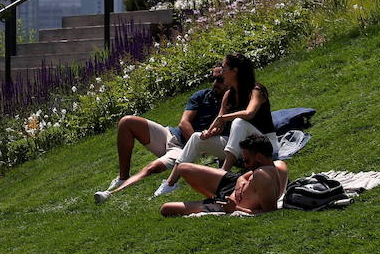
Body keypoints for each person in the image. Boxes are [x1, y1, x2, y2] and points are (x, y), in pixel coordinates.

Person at [154, 54, 280, 197]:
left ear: (235, 71)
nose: (221, 71)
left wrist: (224, 117)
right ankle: (170, 183)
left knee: (239, 122)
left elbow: (249, 113)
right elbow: (218, 125)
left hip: (266, 146)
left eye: (224, 68)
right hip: (242, 149)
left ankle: (222, 173)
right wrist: (209, 132)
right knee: (196, 137)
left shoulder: (256, 90)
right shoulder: (228, 95)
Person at [94, 73, 225, 202]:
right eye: (212, 78)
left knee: (151, 168)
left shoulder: (232, 104)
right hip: (172, 135)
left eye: (219, 80)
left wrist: (200, 146)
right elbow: (183, 124)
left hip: (184, 150)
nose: (214, 83)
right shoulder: (202, 95)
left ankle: (110, 194)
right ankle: (123, 177)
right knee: (126, 122)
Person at [159, 135, 289, 217]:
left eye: (247, 160)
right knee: (183, 168)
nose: (245, 164)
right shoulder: (274, 166)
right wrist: (240, 179)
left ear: (259, 157)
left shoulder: (262, 176)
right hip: (232, 186)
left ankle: (212, 200)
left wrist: (234, 208)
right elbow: (247, 175)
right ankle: (213, 196)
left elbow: (270, 212)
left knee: (166, 208)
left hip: (225, 204)